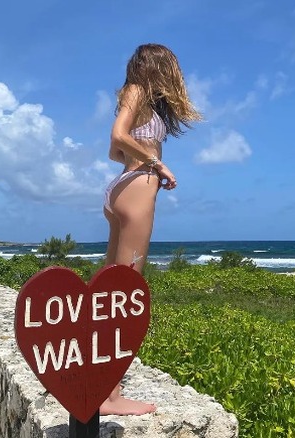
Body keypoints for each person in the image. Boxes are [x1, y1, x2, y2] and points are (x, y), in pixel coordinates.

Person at [100, 43, 202, 415]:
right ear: (157, 65)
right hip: (138, 187)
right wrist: (157, 164)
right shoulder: (136, 89)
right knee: (125, 292)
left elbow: (117, 151)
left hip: (122, 184)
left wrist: (143, 158)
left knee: (108, 288)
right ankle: (109, 395)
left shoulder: (137, 96)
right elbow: (118, 136)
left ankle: (95, 380)